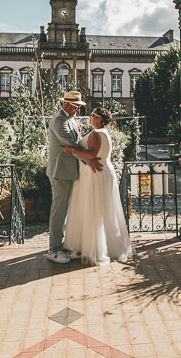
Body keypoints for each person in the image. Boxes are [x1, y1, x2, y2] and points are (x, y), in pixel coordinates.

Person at [61, 107, 134, 265]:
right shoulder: (103, 132)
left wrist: (71, 149)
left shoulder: (96, 133)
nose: (89, 116)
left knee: (94, 209)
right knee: (104, 210)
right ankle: (104, 245)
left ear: (99, 119)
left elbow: (92, 154)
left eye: (92, 115)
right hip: (103, 171)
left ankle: (95, 248)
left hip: (95, 173)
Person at [46, 90, 102, 264]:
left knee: (65, 210)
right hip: (60, 172)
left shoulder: (69, 119)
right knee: (59, 211)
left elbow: (76, 143)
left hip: (68, 171)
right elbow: (71, 145)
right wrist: (89, 161)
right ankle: (53, 249)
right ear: (66, 105)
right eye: (76, 106)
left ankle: (62, 246)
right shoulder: (59, 121)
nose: (78, 110)